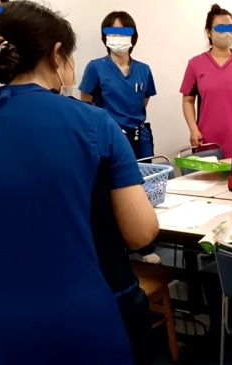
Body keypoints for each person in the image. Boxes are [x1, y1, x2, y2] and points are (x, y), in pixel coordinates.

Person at [0, 2, 160, 365]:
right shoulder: (95, 124)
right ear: (58, 54)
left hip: (1, 333)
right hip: (91, 325)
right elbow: (140, 233)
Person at [79, 11, 159, 264]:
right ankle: (115, 250)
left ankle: (143, 247)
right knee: (111, 191)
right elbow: (86, 103)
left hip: (139, 135)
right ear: (105, 37)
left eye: (124, 32)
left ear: (133, 36)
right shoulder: (96, 67)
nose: (118, 37)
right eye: (112, 32)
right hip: (110, 138)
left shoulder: (143, 70)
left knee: (143, 188)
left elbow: (143, 101)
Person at [180, 3, 232, 159]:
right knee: (208, 176)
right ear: (209, 32)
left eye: (231, 28)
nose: (227, 33)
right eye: (221, 29)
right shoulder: (195, 64)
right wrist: (193, 129)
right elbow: (187, 100)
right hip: (206, 143)